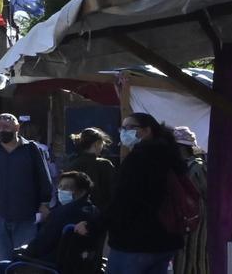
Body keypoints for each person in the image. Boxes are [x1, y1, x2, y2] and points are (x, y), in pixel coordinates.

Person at [79, 113, 186, 274]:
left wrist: (93, 226)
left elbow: (123, 201)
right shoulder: (172, 156)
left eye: (129, 127)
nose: (123, 131)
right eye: (122, 127)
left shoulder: (139, 159)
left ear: (147, 130)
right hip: (167, 240)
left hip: (135, 242)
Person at [0, 171, 101, 272]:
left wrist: (23, 253)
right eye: (60, 187)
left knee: (2, 265)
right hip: (81, 267)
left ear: (82, 192)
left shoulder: (62, 213)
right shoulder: (95, 212)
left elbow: (41, 244)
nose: (61, 191)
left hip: (50, 266)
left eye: (67, 188)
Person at [0, 113, 53, 266]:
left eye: (7, 126)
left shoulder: (31, 149)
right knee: (2, 261)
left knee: (24, 261)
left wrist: (44, 203)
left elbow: (44, 177)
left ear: (17, 127)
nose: (3, 130)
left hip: (26, 215)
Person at [172, 127, 208, 274]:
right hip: (184, 219)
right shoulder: (180, 167)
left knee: (195, 256)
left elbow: (207, 192)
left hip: (197, 220)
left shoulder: (197, 167)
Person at [65, 127, 115, 212]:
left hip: (75, 212)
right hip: (99, 213)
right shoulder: (104, 164)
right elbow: (113, 192)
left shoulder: (71, 164)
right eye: (102, 143)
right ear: (97, 144)